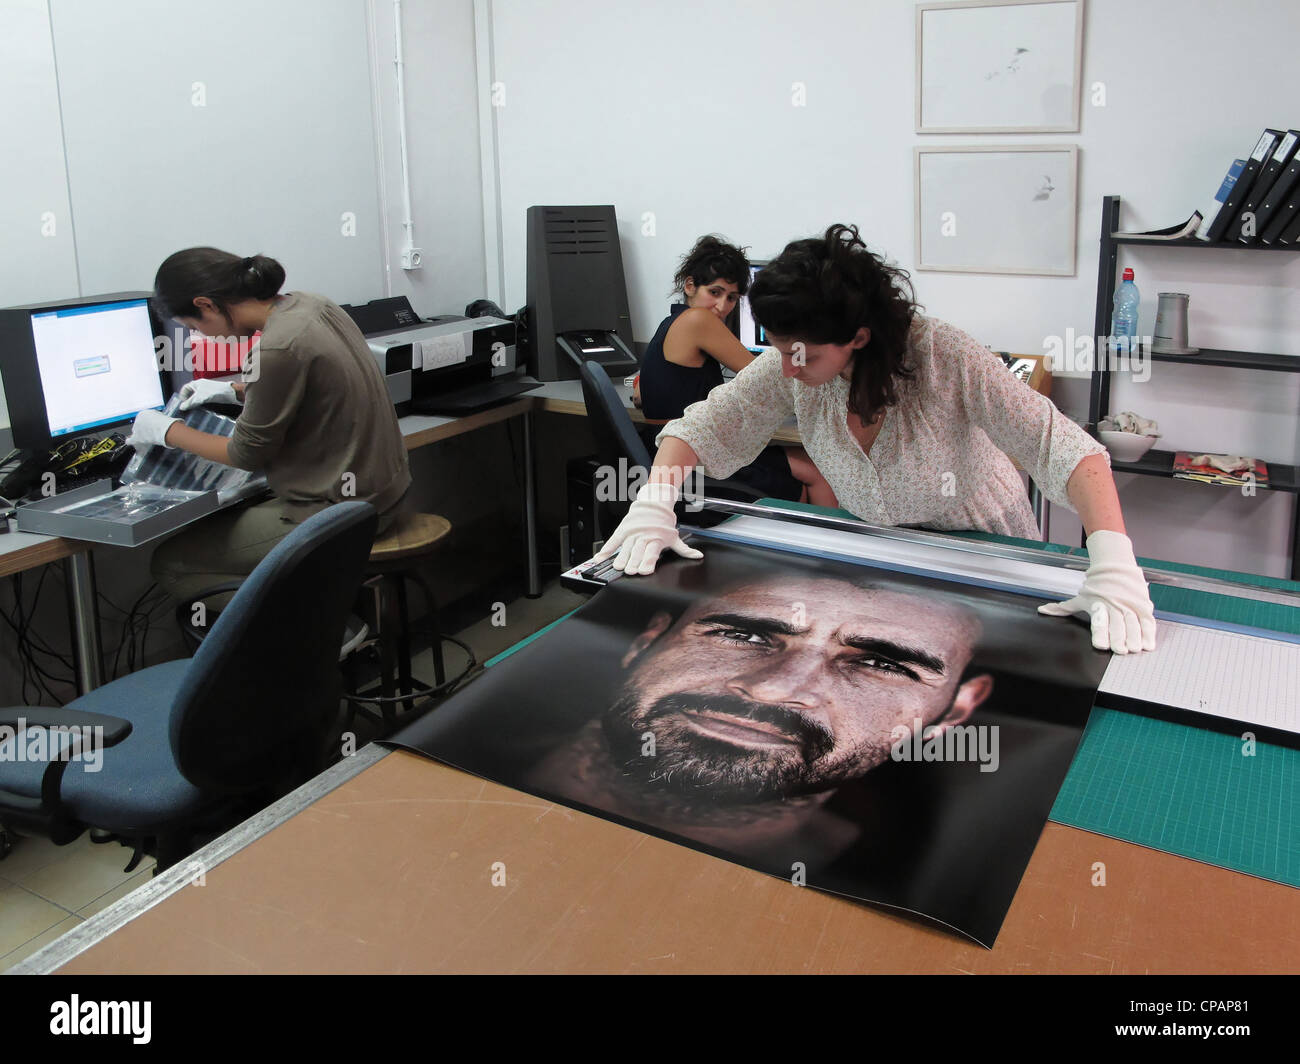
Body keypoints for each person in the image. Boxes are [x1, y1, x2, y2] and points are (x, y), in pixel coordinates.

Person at [595, 225, 1157, 655]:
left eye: (807, 355)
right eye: (779, 348)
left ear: (858, 337)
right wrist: (655, 502)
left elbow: (1064, 447)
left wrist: (1111, 560)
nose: (787, 370)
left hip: (987, 556)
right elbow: (703, 425)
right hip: (888, 558)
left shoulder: (944, 356)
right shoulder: (793, 364)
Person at [525, 572, 993, 863]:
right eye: (742, 635)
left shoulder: (886, 876)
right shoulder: (472, 752)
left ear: (954, 709)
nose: (775, 689)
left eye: (881, 664)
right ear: (647, 640)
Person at [129, 248, 411, 603]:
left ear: (207, 304)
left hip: (344, 512)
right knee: (234, 514)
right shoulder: (312, 305)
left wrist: (166, 431)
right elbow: (313, 385)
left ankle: (302, 637)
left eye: (194, 327)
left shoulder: (274, 348)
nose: (203, 336)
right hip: (383, 492)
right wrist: (233, 391)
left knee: (171, 562)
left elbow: (245, 453)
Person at [635, 235, 833, 504]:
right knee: (816, 470)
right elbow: (764, 377)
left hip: (663, 451)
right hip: (696, 457)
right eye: (714, 293)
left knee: (803, 462)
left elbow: (643, 394)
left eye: (732, 298)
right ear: (690, 285)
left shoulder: (669, 323)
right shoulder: (698, 319)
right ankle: (821, 543)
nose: (722, 307)